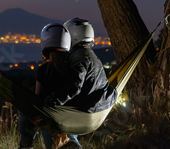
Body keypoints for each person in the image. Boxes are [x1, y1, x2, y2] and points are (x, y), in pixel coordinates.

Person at [18, 19, 117, 149]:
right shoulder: (92, 56)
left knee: (32, 110)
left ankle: (26, 146)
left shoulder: (79, 57)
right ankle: (72, 141)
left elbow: (74, 86)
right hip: (99, 108)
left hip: (86, 112)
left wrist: (51, 101)